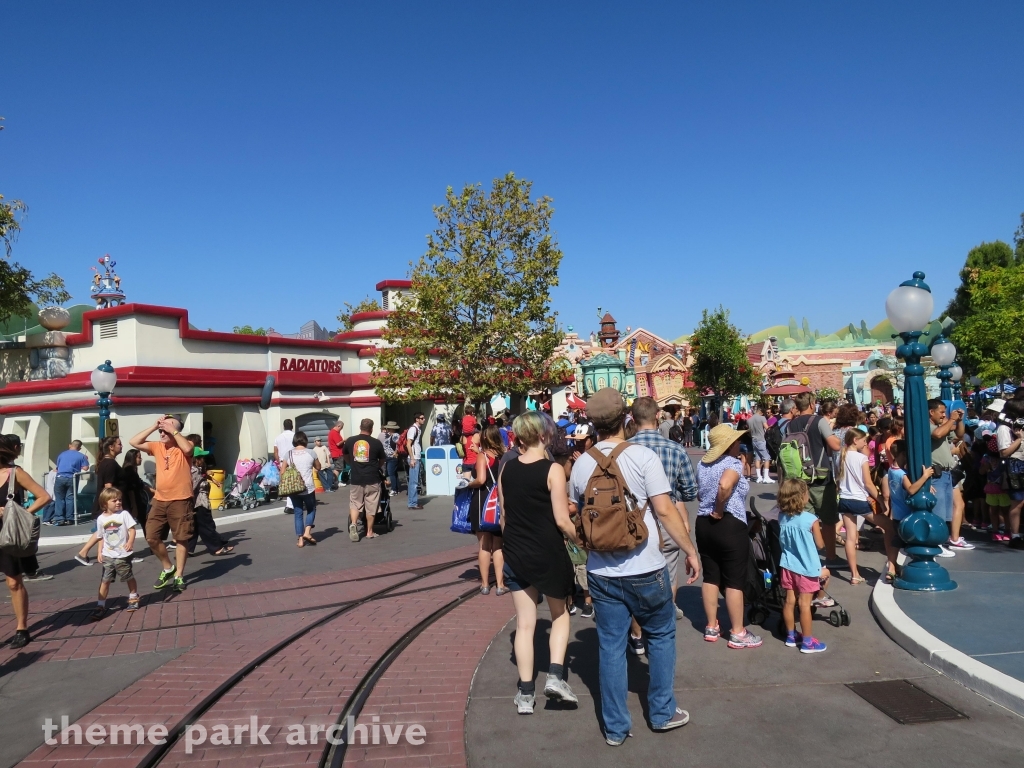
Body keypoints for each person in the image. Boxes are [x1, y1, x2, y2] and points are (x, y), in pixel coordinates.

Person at [568, 388, 700, 745]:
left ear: (591, 422)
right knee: (661, 634)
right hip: (646, 566)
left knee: (611, 646)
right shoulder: (642, 456)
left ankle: (615, 728)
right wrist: (690, 550)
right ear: (624, 417)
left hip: (601, 571)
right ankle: (660, 712)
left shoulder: (581, 464)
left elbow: (573, 512)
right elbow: (665, 511)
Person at [498, 412, 580, 713]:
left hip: (516, 552)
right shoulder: (553, 469)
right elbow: (561, 518)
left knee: (524, 624)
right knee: (559, 614)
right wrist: (581, 539)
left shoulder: (506, 469)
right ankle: (555, 678)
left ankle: (526, 694)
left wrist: (511, 546)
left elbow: (504, 517)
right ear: (545, 435)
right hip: (548, 552)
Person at [628, 396, 697, 637]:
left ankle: (637, 635)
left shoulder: (624, 450)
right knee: (667, 573)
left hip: (634, 523)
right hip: (667, 521)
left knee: (636, 576)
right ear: (657, 416)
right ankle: (660, 628)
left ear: (633, 419)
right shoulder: (675, 449)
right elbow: (690, 490)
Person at [696, 424, 761, 648]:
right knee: (734, 579)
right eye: (735, 442)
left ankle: (712, 625)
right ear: (728, 445)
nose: (739, 444)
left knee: (711, 575)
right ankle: (737, 631)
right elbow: (724, 484)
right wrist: (720, 507)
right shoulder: (732, 463)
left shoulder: (703, 464)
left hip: (703, 523)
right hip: (728, 523)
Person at [129, 416, 195, 592]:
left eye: (166, 428)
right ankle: (168, 567)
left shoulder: (184, 445)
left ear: (176, 430)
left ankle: (179, 576)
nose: (162, 431)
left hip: (181, 499)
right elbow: (134, 441)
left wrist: (172, 430)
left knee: (181, 538)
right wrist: (153, 426)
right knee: (151, 536)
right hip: (160, 499)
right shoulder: (157, 446)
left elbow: (188, 449)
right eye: (161, 429)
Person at [0, 434, 52, 648]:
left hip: (9, 534)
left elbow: (44, 496)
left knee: (14, 582)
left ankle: (22, 628)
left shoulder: (15, 473)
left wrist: (20, 513)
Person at [834, 429, 898, 583]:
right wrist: (881, 500)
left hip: (844, 499)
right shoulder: (861, 458)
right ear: (855, 440)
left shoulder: (839, 457)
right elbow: (868, 484)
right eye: (863, 440)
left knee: (850, 537)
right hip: (859, 500)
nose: (865, 443)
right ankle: (891, 565)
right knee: (890, 527)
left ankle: (854, 574)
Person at [786, 392, 842, 564]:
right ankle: (831, 556)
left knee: (806, 519)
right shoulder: (819, 421)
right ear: (811, 403)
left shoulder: (790, 425)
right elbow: (835, 445)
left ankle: (809, 557)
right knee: (828, 520)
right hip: (821, 477)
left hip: (800, 478)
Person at [777, 479, 830, 653]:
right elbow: (820, 544)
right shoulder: (810, 519)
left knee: (789, 601)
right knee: (805, 604)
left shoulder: (781, 517)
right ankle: (808, 642)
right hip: (806, 568)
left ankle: (791, 636)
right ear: (803, 496)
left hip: (788, 565)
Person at [75, 436, 129, 566]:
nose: (121, 446)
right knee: (102, 530)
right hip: (106, 504)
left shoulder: (106, 462)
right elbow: (108, 486)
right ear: (111, 447)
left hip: (104, 503)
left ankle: (92, 554)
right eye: (119, 444)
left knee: (102, 530)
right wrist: (114, 504)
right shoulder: (110, 464)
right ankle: (83, 553)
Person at [89, 488, 141, 621]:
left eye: (120, 499)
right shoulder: (101, 519)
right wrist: (99, 551)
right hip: (108, 555)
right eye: (114, 500)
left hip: (123, 554)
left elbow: (132, 530)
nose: (118, 502)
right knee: (105, 580)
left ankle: (133, 596)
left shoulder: (124, 514)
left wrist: (130, 541)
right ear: (105, 503)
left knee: (128, 576)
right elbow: (101, 536)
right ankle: (101, 605)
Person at [468, 425, 508, 595]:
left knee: (484, 545)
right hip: (499, 502)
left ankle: (485, 584)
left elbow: (481, 479)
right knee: (498, 546)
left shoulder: (482, 456)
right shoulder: (504, 456)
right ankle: (500, 584)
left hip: (483, 501)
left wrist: (469, 484)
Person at [929, 399, 964, 556]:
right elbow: (937, 435)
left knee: (946, 511)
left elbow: (959, 434)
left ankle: (942, 541)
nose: (944, 415)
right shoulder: (929, 427)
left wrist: (959, 420)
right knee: (938, 512)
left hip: (946, 473)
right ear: (931, 412)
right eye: (941, 412)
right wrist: (951, 419)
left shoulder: (941, 426)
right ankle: (936, 543)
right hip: (936, 474)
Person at [187, 439, 233, 556]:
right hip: (200, 503)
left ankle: (188, 549)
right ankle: (216, 548)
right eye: (201, 457)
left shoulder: (196, 470)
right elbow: (191, 488)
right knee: (207, 526)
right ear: (196, 459)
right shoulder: (194, 471)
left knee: (196, 527)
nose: (203, 459)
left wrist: (212, 480)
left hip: (196, 503)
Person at [344, 419, 386, 542]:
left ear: (360, 427)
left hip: (356, 477)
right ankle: (369, 532)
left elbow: (345, 455)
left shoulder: (351, 441)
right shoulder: (376, 443)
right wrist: (376, 466)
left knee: (355, 502)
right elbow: (382, 460)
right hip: (372, 478)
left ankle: (354, 523)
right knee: (371, 504)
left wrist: (351, 463)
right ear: (371, 429)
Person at [993, 399, 1024, 549]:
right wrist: (1019, 439)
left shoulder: (1018, 425)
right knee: (1017, 503)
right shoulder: (1004, 429)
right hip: (1015, 466)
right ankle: (1015, 536)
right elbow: (1004, 452)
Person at [286, 431, 320, 547]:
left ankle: (300, 540)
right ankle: (307, 532)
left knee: (298, 512)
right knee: (311, 509)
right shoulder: (311, 452)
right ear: (305, 440)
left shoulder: (288, 454)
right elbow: (318, 467)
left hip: (294, 488)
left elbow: (281, 471)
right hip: (308, 487)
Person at [52, 440, 89, 526]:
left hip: (60, 478)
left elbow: (58, 467)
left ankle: (59, 518)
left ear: (70, 445)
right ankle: (70, 518)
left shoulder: (61, 455)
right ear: (79, 448)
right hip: (72, 478)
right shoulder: (81, 456)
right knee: (70, 498)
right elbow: (86, 468)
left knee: (59, 498)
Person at [121, 448, 153, 531]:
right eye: (139, 457)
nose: (141, 459)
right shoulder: (129, 471)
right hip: (134, 501)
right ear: (133, 458)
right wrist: (134, 506)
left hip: (137, 501)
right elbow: (131, 490)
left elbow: (140, 483)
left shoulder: (133, 469)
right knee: (143, 522)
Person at [274, 419, 296, 513]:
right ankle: (291, 505)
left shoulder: (278, 438)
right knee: (294, 483)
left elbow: (276, 452)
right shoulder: (295, 436)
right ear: (292, 426)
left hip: (283, 461)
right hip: (293, 460)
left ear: (283, 426)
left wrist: (279, 463)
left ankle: (289, 504)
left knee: (287, 483)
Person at [406, 413, 426, 510]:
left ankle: (413, 502)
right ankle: (412, 503)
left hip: (416, 457)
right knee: (413, 481)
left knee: (414, 481)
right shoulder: (413, 429)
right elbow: (408, 444)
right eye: (422, 418)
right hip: (414, 458)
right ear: (417, 419)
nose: (424, 419)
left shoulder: (417, 429)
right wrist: (412, 458)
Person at [747, 405, 772, 484]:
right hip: (761, 439)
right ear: (761, 411)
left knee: (757, 458)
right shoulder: (762, 418)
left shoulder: (749, 420)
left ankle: (759, 477)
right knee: (767, 458)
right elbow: (767, 428)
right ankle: (766, 477)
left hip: (754, 440)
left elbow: (749, 432)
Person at [378, 422, 401, 496]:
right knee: (393, 473)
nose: (387, 429)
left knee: (391, 473)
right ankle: (396, 488)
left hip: (392, 457)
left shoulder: (395, 435)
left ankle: (394, 489)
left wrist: (396, 452)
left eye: (388, 428)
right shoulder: (391, 436)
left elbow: (398, 444)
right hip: (389, 457)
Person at [328, 419, 346, 489]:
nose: (341, 430)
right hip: (337, 453)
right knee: (338, 468)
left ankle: (336, 481)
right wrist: (344, 440)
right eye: (341, 428)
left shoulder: (332, 432)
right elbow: (338, 443)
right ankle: (335, 482)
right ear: (338, 426)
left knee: (339, 468)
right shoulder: (334, 433)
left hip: (336, 453)